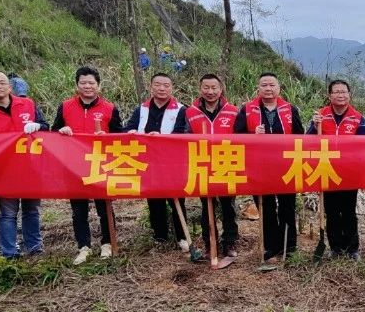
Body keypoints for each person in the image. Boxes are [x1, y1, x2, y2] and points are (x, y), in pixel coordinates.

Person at [53, 66, 125, 264]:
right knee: (78, 210)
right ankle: (83, 246)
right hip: (74, 165)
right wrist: (62, 129)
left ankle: (107, 243)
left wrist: (107, 137)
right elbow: (53, 131)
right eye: (83, 83)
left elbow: (121, 135)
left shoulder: (109, 108)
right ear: (77, 85)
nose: (87, 86)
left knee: (105, 207)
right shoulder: (66, 106)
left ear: (98, 85)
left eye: (91, 83)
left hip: (101, 163)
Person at [0, 72, 47, 259]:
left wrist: (38, 126)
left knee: (32, 210)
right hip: (3, 171)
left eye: (2, 83)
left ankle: (34, 246)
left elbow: (46, 127)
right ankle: (9, 252)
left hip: (31, 167)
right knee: (8, 213)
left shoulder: (28, 105)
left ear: (10, 87)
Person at [234, 72, 304, 264]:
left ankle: (289, 247)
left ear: (278, 88)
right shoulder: (247, 110)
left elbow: (300, 136)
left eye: (272, 85)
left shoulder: (290, 109)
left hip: (286, 165)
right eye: (264, 85)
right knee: (266, 207)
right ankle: (271, 245)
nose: (268, 88)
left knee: (287, 206)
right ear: (258, 88)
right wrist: (252, 134)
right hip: (259, 167)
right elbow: (236, 138)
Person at [123, 72, 189, 250]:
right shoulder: (141, 109)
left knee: (176, 199)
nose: (162, 88)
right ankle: (160, 236)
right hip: (148, 162)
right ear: (151, 87)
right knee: (154, 199)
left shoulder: (181, 110)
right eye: (158, 85)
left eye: (166, 85)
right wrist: (129, 132)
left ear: (172, 88)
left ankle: (182, 236)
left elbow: (184, 134)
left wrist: (162, 138)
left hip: (171, 163)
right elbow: (129, 127)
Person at [306, 79, 365, 258]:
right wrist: (313, 125)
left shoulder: (358, 118)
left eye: (344, 92)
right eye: (336, 92)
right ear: (329, 95)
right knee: (331, 211)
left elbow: (363, 147)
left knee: (348, 211)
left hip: (349, 172)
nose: (340, 95)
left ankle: (352, 248)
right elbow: (308, 141)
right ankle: (335, 248)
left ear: (349, 94)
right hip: (326, 169)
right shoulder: (320, 116)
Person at [184, 73, 240, 257]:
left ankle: (230, 242)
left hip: (227, 163)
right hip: (202, 164)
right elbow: (181, 137)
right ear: (200, 89)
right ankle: (210, 244)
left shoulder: (232, 110)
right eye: (206, 88)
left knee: (228, 207)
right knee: (206, 206)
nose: (210, 91)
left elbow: (242, 136)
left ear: (221, 89)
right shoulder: (190, 112)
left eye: (214, 88)